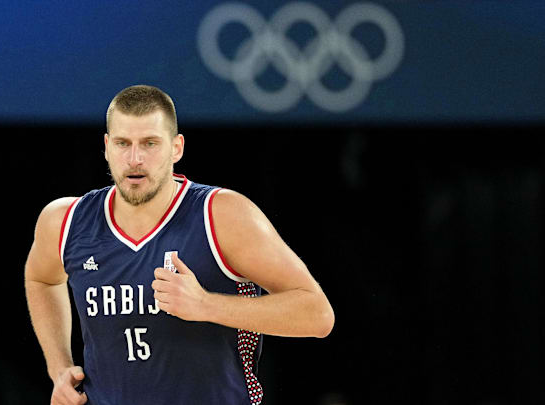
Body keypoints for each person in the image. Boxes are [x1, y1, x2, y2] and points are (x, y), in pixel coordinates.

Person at [24, 85, 334, 405]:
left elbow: (317, 314)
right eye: (122, 144)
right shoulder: (66, 220)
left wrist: (206, 305)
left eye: (149, 144)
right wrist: (59, 367)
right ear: (106, 146)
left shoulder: (222, 214)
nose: (135, 159)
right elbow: (41, 279)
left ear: (176, 148)